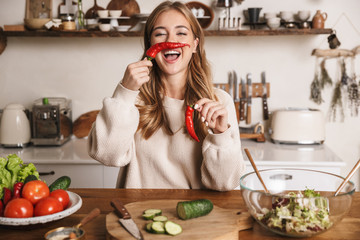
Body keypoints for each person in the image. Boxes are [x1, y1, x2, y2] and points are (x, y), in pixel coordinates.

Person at [87, 1, 245, 191]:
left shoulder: (218, 102)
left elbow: (224, 184)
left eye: (181, 33)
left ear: (195, 44)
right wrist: (124, 92)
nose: (170, 40)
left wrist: (221, 135)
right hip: (138, 213)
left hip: (195, 216)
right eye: (160, 34)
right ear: (150, 45)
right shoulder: (132, 100)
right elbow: (106, 155)